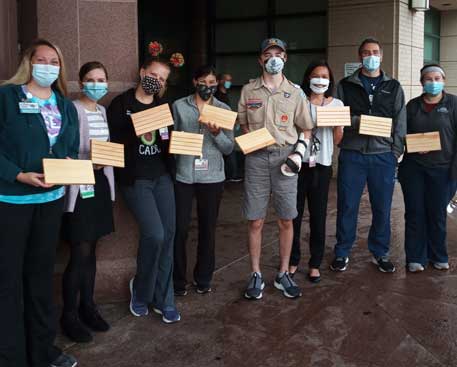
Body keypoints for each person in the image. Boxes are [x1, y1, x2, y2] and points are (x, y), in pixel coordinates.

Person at [0, 39, 79, 367]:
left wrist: (67, 170)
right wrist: (18, 175)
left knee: (41, 276)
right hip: (12, 201)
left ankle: (43, 351)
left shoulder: (64, 104)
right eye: (41, 59)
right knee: (8, 280)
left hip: (50, 201)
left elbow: (69, 148)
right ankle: (11, 356)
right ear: (28, 63)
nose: (48, 66)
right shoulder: (6, 96)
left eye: (54, 61)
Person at [237, 38, 313, 300]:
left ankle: (283, 273)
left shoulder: (296, 92)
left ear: (285, 59)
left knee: (286, 218)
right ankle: (255, 274)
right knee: (256, 219)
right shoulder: (249, 91)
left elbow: (306, 127)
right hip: (256, 158)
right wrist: (252, 139)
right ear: (260, 59)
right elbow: (243, 123)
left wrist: (298, 154)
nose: (273, 58)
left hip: (285, 159)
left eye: (278, 54)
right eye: (268, 54)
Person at [107, 58, 180, 323]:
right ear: (141, 72)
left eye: (162, 79)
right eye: (153, 75)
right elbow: (114, 142)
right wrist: (136, 127)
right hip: (135, 179)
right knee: (156, 234)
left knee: (169, 235)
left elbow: (166, 141)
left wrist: (179, 143)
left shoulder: (163, 106)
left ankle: (165, 298)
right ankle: (140, 291)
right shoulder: (121, 104)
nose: (156, 81)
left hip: (161, 177)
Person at [330, 37, 406, 273]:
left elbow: (400, 121)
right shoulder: (345, 84)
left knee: (382, 207)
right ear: (359, 56)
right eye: (366, 52)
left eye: (374, 52)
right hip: (353, 153)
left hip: (383, 155)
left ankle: (380, 252)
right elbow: (337, 116)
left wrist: (395, 152)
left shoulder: (393, 86)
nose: (370, 56)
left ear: (381, 56)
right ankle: (342, 251)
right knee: (347, 205)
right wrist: (359, 122)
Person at [60, 61, 115, 342]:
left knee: (92, 250)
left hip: (99, 184)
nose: (97, 84)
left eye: (102, 79)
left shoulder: (103, 110)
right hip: (78, 186)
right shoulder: (72, 108)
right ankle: (68, 315)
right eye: (91, 80)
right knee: (79, 253)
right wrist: (88, 158)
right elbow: (64, 146)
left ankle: (88, 307)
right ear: (81, 83)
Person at [172, 65, 234, 295]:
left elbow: (229, 148)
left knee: (208, 229)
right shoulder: (179, 106)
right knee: (180, 228)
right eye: (203, 82)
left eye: (212, 83)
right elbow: (172, 139)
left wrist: (217, 134)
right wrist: (178, 145)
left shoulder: (223, 109)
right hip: (184, 174)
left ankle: (203, 278)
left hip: (212, 177)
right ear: (194, 81)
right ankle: (178, 280)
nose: (207, 87)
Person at [398, 64, 457, 272]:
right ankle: (415, 257)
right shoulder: (412, 106)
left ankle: (438, 255)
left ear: (443, 80)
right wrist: (411, 145)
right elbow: (401, 134)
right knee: (415, 212)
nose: (433, 82)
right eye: (428, 79)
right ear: (421, 82)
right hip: (414, 168)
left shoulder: (453, 104)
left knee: (437, 214)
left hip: (443, 169)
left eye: (437, 78)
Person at [289, 60, 344, 283]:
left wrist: (337, 127)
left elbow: (339, 141)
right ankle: (292, 260)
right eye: (315, 75)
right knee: (294, 215)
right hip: (297, 164)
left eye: (324, 75)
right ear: (308, 78)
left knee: (318, 216)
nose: (320, 79)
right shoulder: (298, 101)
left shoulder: (337, 104)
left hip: (322, 166)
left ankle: (315, 263)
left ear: (330, 80)